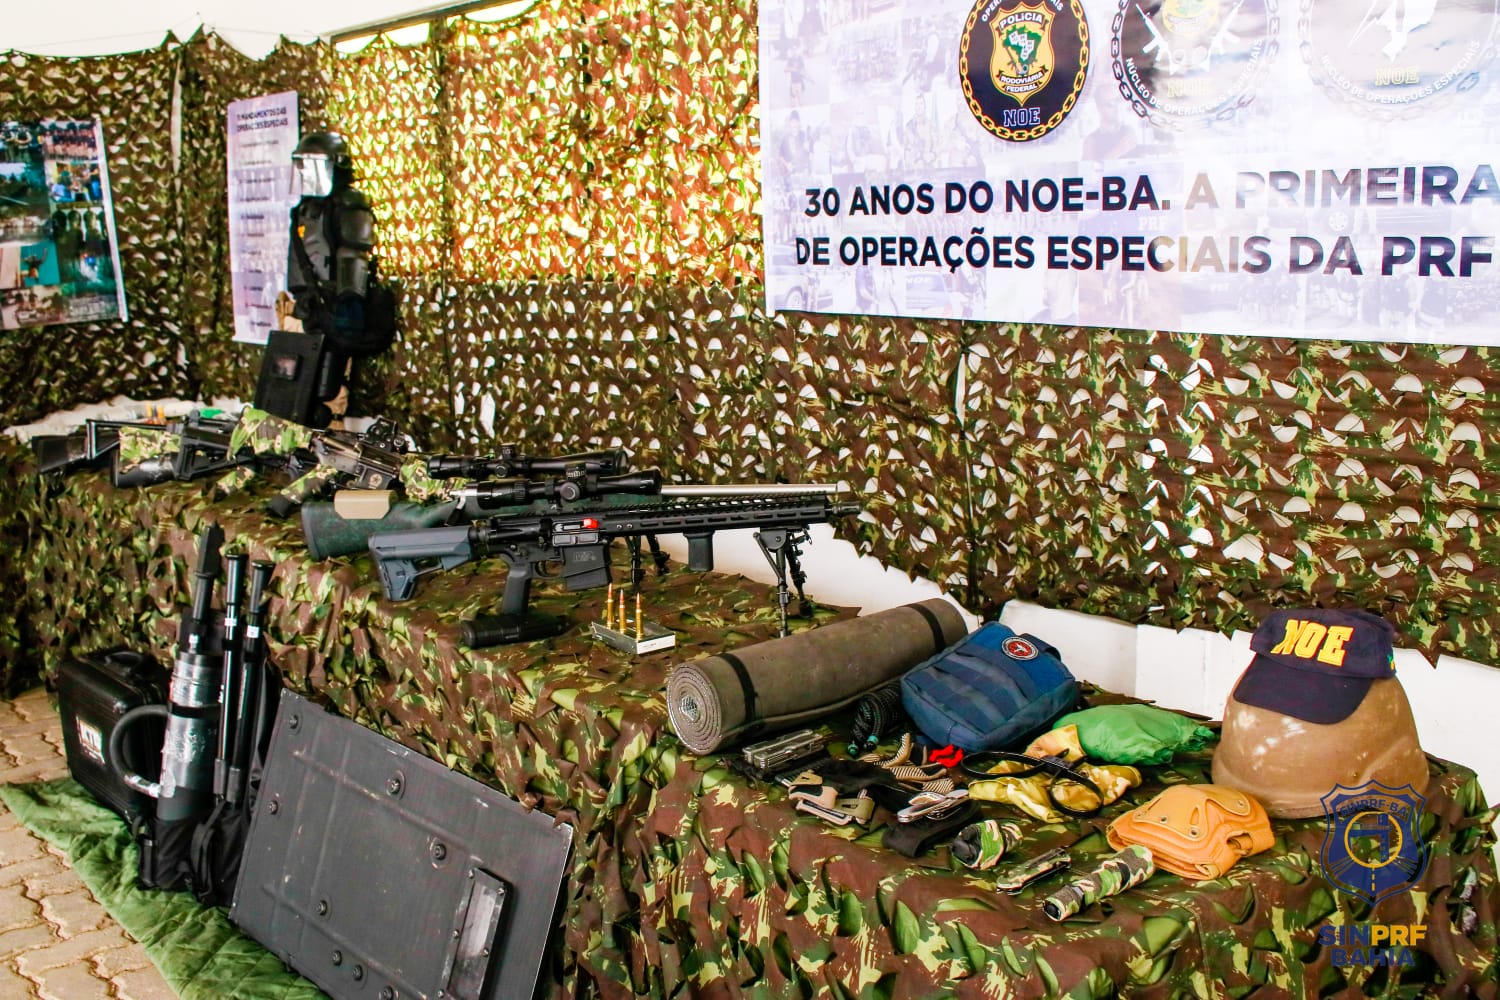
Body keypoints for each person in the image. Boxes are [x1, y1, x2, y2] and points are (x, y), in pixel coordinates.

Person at [283, 131, 391, 427]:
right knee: (299, 390)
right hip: (310, 308)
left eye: (313, 165)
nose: (307, 173)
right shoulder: (306, 208)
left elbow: (353, 257)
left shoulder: (348, 204)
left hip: (335, 309)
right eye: (303, 165)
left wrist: (346, 304)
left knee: (326, 393)